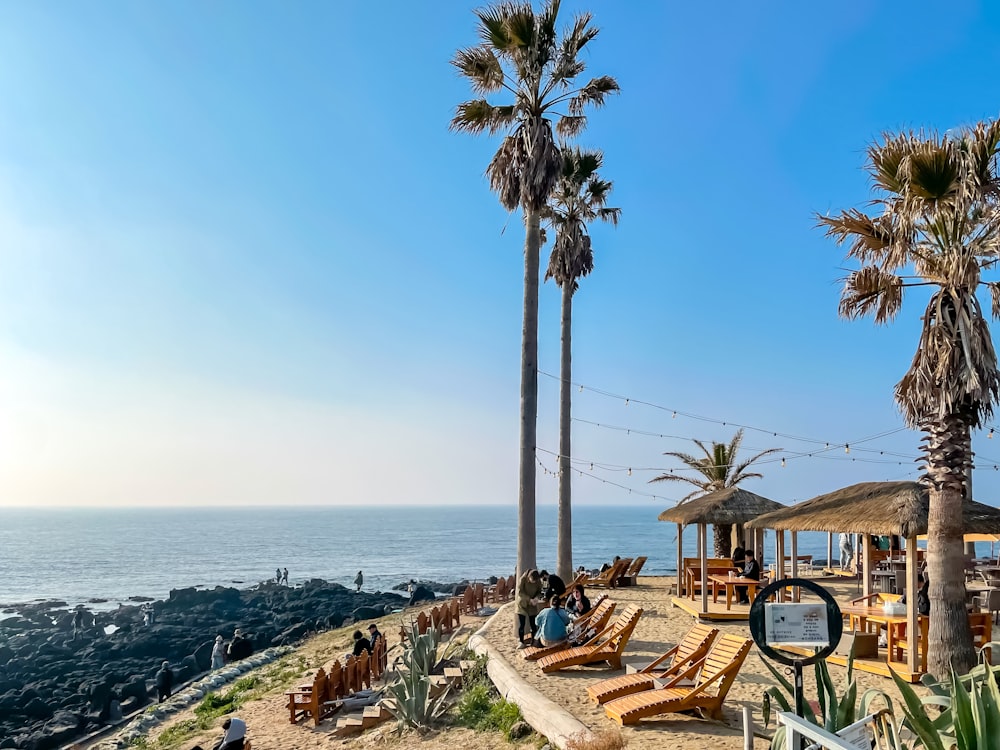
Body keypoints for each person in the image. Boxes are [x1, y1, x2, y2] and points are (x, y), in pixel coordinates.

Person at [515, 569, 544, 649]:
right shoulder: (523, 579)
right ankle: (521, 641)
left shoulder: (538, 581)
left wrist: (536, 598)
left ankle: (533, 641)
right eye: (532, 580)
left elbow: (539, 591)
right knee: (522, 624)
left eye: (535, 580)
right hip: (522, 604)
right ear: (529, 577)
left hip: (532, 604)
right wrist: (528, 599)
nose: (534, 582)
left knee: (533, 624)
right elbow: (520, 592)